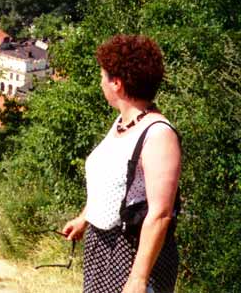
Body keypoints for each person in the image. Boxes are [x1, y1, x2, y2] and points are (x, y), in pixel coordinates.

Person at [62, 35, 181, 293]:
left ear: (117, 83)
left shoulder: (159, 134)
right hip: (102, 248)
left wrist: (138, 278)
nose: (100, 81)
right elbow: (111, 180)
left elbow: (160, 214)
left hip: (132, 254)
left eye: (103, 75)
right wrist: (85, 217)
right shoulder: (122, 124)